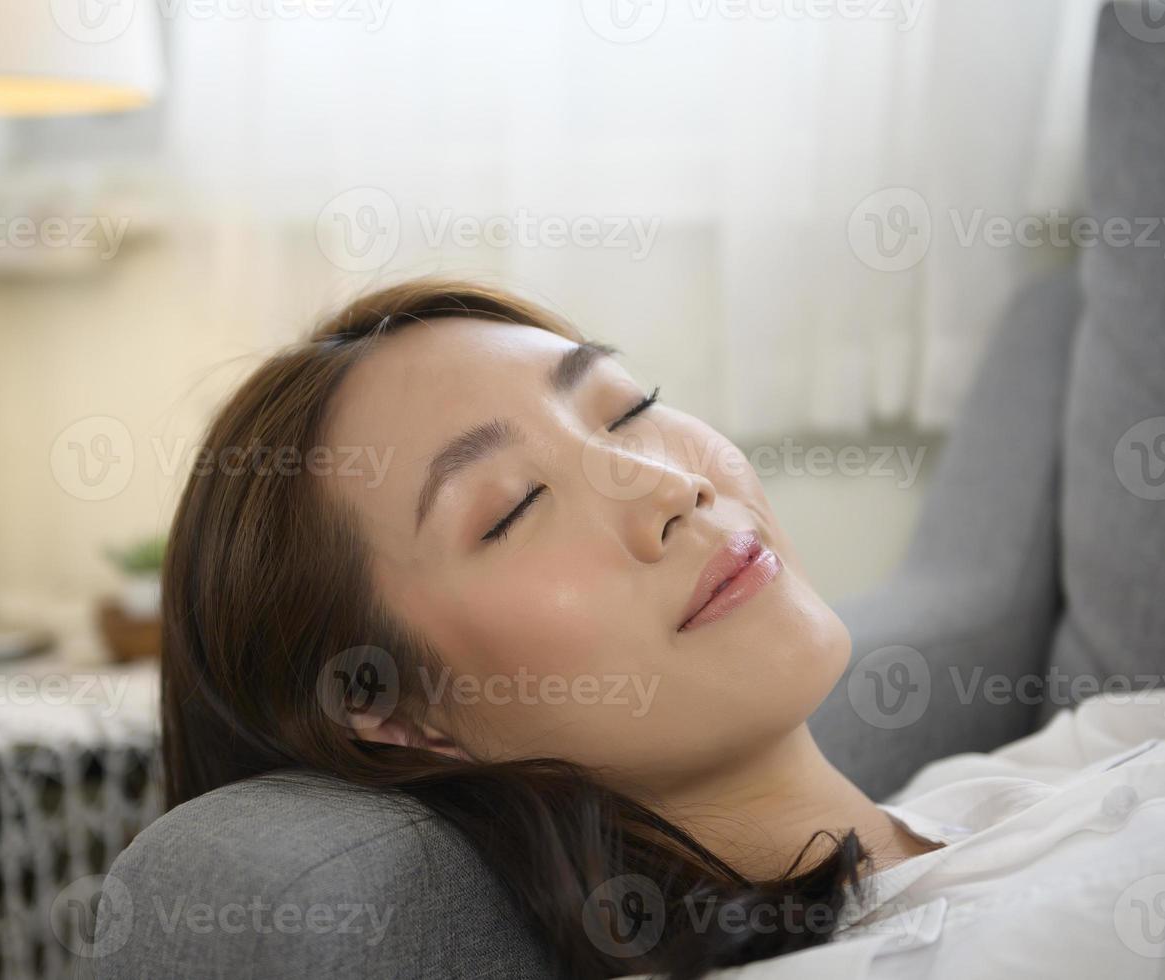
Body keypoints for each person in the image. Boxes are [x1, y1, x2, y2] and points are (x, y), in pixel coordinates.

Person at [159, 277, 1165, 978]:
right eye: (512, 505)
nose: (667, 484)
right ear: (402, 713)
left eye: (629, 407)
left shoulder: (1063, 758)